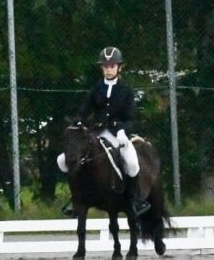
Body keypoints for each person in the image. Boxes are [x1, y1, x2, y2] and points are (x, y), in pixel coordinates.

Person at [57, 47, 151, 217]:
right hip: (97, 133)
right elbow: (85, 109)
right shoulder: (96, 89)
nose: (109, 69)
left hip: (118, 134)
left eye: (112, 66)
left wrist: (123, 131)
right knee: (64, 160)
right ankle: (75, 198)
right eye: (106, 66)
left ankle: (135, 199)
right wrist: (78, 120)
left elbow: (130, 117)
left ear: (119, 67)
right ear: (102, 68)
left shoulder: (126, 91)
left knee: (131, 162)